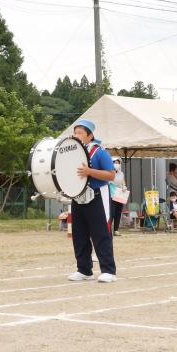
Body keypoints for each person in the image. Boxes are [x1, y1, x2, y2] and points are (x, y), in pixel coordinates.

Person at [68, 119, 118, 283]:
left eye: (80, 132)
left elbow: (111, 175)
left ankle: (108, 270)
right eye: (75, 132)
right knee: (79, 234)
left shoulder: (100, 152)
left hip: (97, 195)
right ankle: (84, 270)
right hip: (78, 196)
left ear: (90, 135)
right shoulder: (72, 153)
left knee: (101, 233)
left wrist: (89, 171)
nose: (76, 135)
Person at [109, 157, 126, 236]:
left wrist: (124, 186)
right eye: (115, 162)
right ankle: (108, 229)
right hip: (111, 195)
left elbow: (123, 181)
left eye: (118, 163)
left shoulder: (121, 173)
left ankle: (116, 230)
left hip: (120, 195)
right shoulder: (109, 172)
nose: (117, 164)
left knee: (118, 212)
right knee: (111, 213)